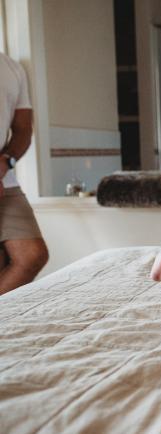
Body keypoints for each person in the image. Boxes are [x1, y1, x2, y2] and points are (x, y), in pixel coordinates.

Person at [0, 52, 48, 295]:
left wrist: (6, 161)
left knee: (32, 255)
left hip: (5, 179)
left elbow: (22, 130)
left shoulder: (11, 68)